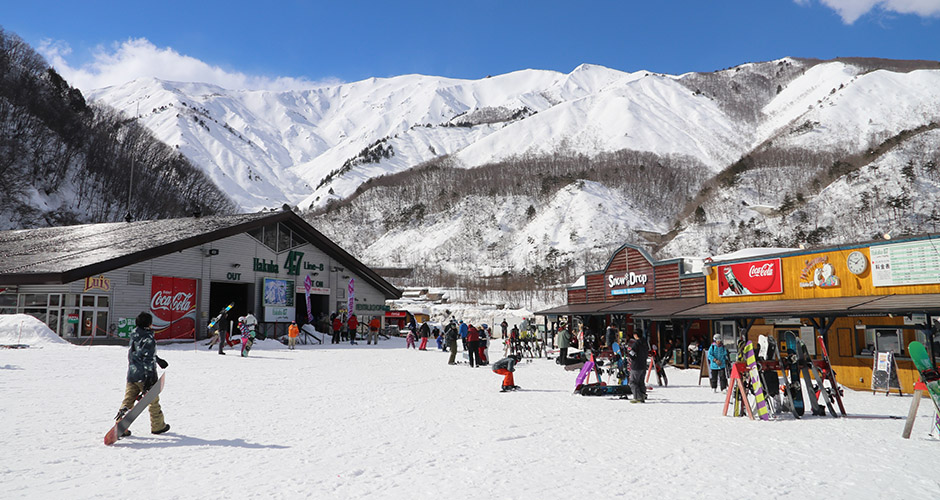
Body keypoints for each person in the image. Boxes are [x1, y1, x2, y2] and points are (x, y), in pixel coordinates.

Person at [113, 312, 170, 436]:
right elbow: (147, 358)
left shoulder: (135, 335)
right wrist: (149, 378)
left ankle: (120, 424)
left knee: (128, 400)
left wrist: (158, 360)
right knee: (153, 402)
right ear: (149, 324)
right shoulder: (148, 338)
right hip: (145, 375)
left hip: (132, 374)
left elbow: (140, 353)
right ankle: (158, 426)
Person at [627, 330, 649, 403]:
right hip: (643, 364)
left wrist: (630, 354)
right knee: (641, 382)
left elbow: (632, 353)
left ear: (636, 335)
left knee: (633, 382)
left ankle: (637, 397)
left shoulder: (636, 343)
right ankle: (643, 395)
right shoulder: (645, 342)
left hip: (636, 365)